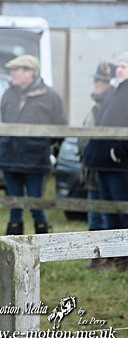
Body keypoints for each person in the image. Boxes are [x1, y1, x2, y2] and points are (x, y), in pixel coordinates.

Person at [0, 54, 67, 235]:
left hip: (36, 159)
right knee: (14, 204)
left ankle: (43, 244)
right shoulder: (9, 93)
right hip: (10, 157)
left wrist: (44, 146)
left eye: (16, 69)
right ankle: (13, 245)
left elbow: (60, 126)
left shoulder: (50, 96)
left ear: (31, 73)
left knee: (36, 203)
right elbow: (4, 119)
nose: (12, 73)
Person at [83, 51, 128, 271]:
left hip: (119, 163)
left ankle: (124, 258)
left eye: (124, 66)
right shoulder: (115, 94)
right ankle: (114, 257)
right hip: (103, 161)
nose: (120, 69)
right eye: (119, 66)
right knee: (108, 210)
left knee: (122, 209)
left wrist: (117, 152)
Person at [77, 61, 115, 253]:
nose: (97, 83)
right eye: (96, 79)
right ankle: (96, 255)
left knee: (106, 213)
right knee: (94, 213)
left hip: (106, 167)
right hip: (91, 168)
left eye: (102, 80)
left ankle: (108, 254)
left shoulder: (111, 106)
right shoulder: (96, 107)